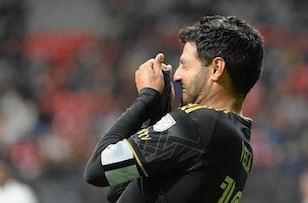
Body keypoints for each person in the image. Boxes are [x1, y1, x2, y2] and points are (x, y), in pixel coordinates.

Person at [84, 15, 264, 203]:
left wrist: (146, 98)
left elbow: (98, 168)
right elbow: (119, 192)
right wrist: (157, 115)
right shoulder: (241, 145)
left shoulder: (199, 123)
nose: (177, 75)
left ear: (216, 68)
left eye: (185, 65)